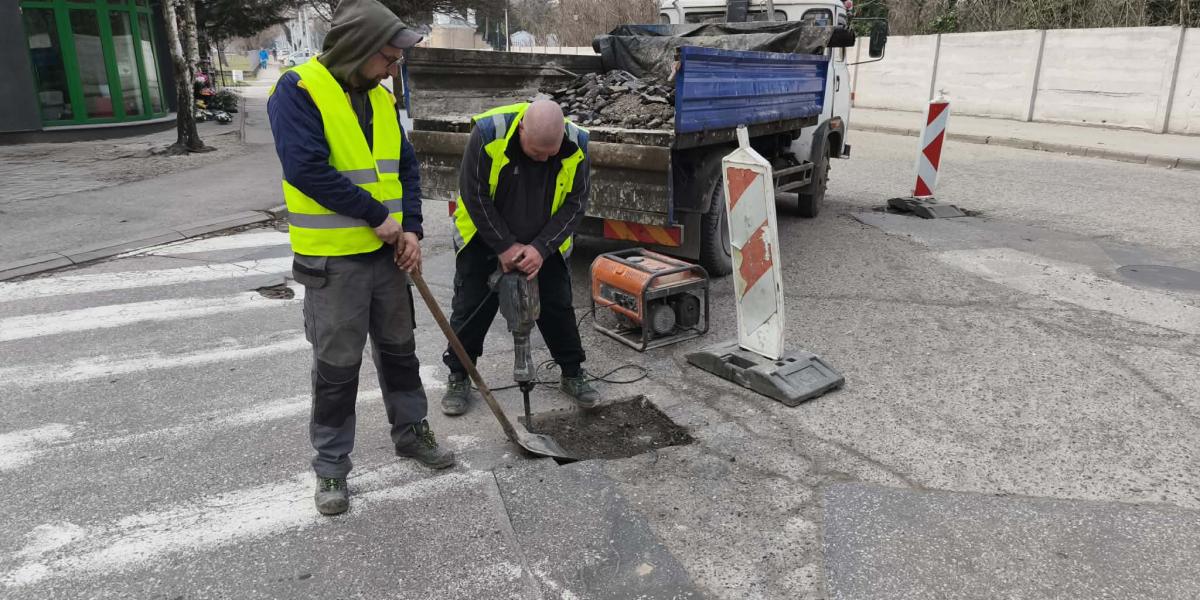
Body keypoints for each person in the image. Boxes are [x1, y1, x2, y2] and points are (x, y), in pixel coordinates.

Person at [267, 0, 453, 517]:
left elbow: (407, 171)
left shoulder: (381, 99)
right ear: (357, 50)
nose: (394, 70)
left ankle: (412, 432)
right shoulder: (299, 91)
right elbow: (306, 169)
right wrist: (377, 216)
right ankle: (331, 467)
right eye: (388, 59)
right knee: (337, 367)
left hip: (390, 256)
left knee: (399, 351)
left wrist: (412, 229)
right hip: (335, 265)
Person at [441, 100, 600, 416]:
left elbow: (576, 203)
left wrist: (541, 248)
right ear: (522, 128)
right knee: (471, 306)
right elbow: (474, 194)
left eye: (549, 153)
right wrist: (504, 246)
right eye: (537, 151)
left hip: (544, 240)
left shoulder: (577, 142)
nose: (543, 158)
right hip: (485, 236)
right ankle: (459, 375)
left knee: (557, 304)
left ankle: (572, 373)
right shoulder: (489, 133)